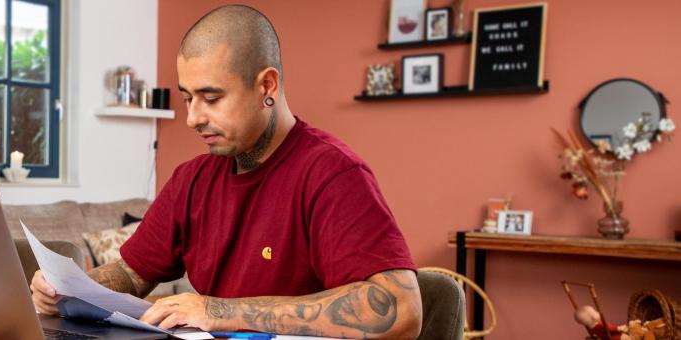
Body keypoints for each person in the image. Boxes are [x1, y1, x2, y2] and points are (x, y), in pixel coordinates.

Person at [30, 5, 422, 338]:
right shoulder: (191, 179)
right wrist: (72, 290)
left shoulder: (332, 173)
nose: (192, 118)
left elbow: (402, 310)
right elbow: (132, 273)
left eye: (211, 98)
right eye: (187, 98)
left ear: (267, 86)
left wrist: (217, 311)